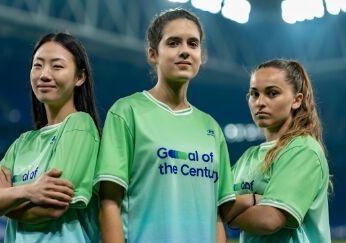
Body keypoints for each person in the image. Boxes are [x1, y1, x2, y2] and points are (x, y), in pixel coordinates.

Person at [94, 8, 235, 243]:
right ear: (153, 54)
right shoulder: (127, 112)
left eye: (193, 44)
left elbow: (217, 215)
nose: (184, 52)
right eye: (173, 43)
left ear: (201, 55)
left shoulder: (211, 127)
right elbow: (109, 203)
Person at [0, 32, 101, 243]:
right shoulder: (22, 143)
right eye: (38, 65)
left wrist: (6, 200)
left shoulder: (80, 125)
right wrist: (29, 192)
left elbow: (51, 209)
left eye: (57, 66)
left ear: (79, 77)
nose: (44, 74)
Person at [227, 59, 331, 242]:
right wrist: (252, 200)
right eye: (254, 94)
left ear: (297, 101)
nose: (260, 102)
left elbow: (268, 220)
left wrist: (231, 217)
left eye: (272, 93)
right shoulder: (248, 157)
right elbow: (217, 205)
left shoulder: (303, 150)